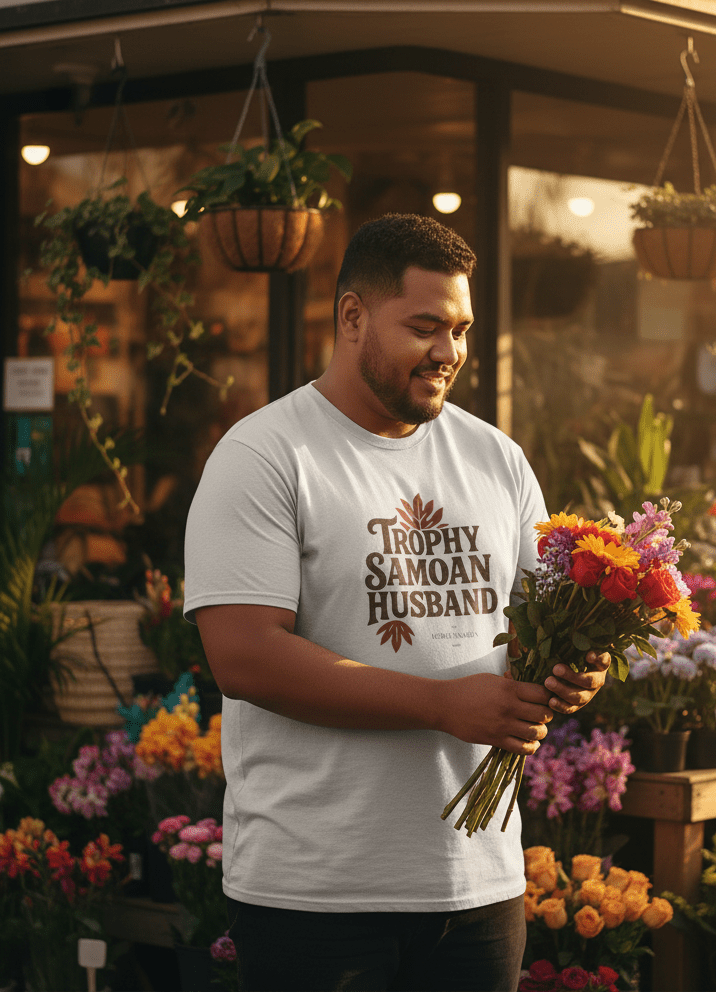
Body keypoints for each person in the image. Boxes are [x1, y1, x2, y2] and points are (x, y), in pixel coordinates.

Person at [184, 213, 610, 992]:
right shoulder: (266, 454)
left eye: (461, 329)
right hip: (316, 892)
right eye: (425, 327)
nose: (449, 352)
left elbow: (541, 626)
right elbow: (243, 656)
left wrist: (575, 673)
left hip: (477, 885)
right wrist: (442, 705)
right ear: (353, 318)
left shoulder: (496, 458)